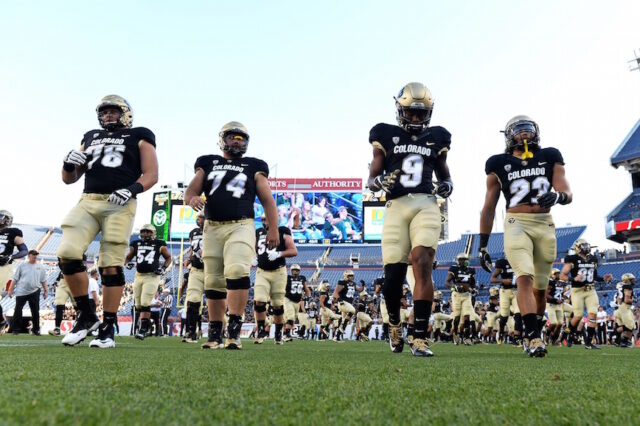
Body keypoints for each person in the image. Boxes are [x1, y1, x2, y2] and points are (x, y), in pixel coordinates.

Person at [58, 95, 158, 348]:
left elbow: (152, 174)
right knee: (67, 253)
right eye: (105, 113)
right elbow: (69, 178)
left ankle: (108, 325)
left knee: (111, 262)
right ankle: (87, 315)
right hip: (88, 200)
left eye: (114, 111)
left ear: (125, 114)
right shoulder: (91, 135)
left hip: (120, 203)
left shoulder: (140, 134)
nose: (108, 116)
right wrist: (68, 163)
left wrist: (133, 189)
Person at [367, 82, 453, 357]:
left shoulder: (438, 137)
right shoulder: (384, 134)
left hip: (426, 203)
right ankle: (394, 324)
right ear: (400, 110)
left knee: (423, 262)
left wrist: (447, 186)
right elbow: (372, 177)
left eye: (421, 113)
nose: (416, 118)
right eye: (411, 113)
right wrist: (378, 181)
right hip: (395, 206)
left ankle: (419, 337)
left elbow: (445, 174)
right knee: (392, 279)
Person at [479, 115, 572, 357]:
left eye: (528, 130)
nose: (524, 134)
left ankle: (535, 331)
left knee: (540, 289)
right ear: (509, 135)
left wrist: (558, 197)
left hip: (544, 223)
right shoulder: (498, 162)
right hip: (516, 222)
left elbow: (566, 190)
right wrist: (483, 244)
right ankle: (531, 337)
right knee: (524, 278)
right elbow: (489, 207)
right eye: (519, 130)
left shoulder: (549, 155)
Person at [185, 121, 278, 350]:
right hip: (213, 227)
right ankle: (215, 332)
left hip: (241, 224)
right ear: (222, 139)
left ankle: (234, 330)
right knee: (213, 279)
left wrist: (273, 228)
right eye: (232, 137)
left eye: (241, 138)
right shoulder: (207, 162)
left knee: (237, 269)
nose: (237, 141)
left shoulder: (254, 165)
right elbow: (191, 190)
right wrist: (192, 199)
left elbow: (267, 199)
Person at [253, 213, 297, 345]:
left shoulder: (283, 231)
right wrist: (254, 257)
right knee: (259, 301)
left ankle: (278, 333)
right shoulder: (259, 232)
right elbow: (255, 247)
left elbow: (294, 251)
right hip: (262, 271)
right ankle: (261, 331)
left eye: (266, 219)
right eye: (262, 220)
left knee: (277, 305)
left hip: (278, 272)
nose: (264, 222)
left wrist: (279, 253)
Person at [560, 238, 612, 349]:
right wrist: (573, 279)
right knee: (578, 316)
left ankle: (588, 342)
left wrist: (604, 278)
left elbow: (594, 277)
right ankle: (569, 334)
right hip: (577, 290)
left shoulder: (593, 259)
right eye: (583, 245)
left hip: (590, 290)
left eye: (586, 245)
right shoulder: (572, 259)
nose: (586, 247)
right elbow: (562, 276)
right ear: (577, 248)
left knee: (593, 314)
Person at [125, 224, 172, 340]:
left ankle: (143, 329)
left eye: (148, 232)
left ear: (153, 233)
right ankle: (146, 326)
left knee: (146, 301)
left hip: (152, 276)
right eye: (143, 231)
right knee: (138, 304)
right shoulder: (135, 243)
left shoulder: (159, 243)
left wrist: (163, 268)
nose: (145, 234)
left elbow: (168, 258)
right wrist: (127, 263)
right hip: (138, 275)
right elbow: (128, 258)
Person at [0, 210, 28, 330]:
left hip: (3, 266)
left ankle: (1, 322)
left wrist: (11, 257)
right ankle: (1, 321)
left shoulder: (13, 232)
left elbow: (24, 250)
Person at [7, 250, 47, 335]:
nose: (35, 256)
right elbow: (15, 278)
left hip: (35, 291)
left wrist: (45, 291)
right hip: (21, 291)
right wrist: (10, 289)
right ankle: (15, 330)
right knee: (18, 310)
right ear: (29, 255)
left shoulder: (41, 267)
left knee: (35, 311)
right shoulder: (22, 266)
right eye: (33, 255)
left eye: (36, 255)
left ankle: (36, 330)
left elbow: (43, 280)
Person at [183, 213, 205, 343]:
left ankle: (218, 333)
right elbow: (193, 248)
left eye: (202, 217)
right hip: (196, 269)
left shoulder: (215, 229)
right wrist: (189, 258)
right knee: (192, 300)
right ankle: (191, 333)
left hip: (213, 269)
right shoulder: (193, 232)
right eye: (198, 218)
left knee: (217, 298)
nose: (199, 220)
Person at [445, 253, 476, 345]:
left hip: (466, 295)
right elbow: (447, 282)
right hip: (456, 295)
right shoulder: (454, 269)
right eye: (461, 259)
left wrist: (473, 289)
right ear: (458, 261)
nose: (463, 261)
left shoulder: (471, 270)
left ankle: (466, 337)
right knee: (457, 316)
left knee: (467, 315)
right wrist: (453, 287)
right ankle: (455, 334)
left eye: (464, 259)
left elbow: (473, 284)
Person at [490, 258, 522, 345]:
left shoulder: (519, 261)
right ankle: (500, 333)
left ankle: (517, 338)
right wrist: (503, 280)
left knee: (519, 313)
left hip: (516, 291)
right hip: (505, 291)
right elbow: (492, 279)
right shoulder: (502, 263)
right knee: (504, 316)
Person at [332, 270, 363, 341]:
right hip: (343, 303)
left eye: (352, 276)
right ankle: (342, 327)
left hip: (348, 304)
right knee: (353, 310)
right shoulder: (342, 282)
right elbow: (335, 293)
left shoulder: (353, 284)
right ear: (346, 276)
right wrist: (340, 300)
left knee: (344, 321)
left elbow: (360, 289)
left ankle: (336, 337)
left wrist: (363, 285)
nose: (352, 277)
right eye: (350, 276)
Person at [283, 264, 310, 342]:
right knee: (290, 316)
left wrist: (307, 297)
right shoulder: (287, 278)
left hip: (297, 301)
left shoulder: (302, 278)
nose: (295, 272)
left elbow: (306, 289)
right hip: (288, 299)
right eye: (294, 270)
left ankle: (285, 333)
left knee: (293, 318)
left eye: (297, 270)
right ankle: (286, 335)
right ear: (291, 271)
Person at [614, 273, 636, 347]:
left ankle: (617, 340)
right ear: (628, 280)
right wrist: (633, 300)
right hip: (625, 308)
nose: (634, 280)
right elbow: (627, 300)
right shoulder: (628, 286)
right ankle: (624, 341)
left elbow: (618, 299)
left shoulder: (622, 286)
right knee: (631, 325)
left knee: (625, 326)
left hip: (620, 307)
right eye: (632, 279)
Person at [545, 269, 565, 345]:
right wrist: (555, 300)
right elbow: (546, 294)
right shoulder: (550, 282)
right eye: (556, 274)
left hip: (559, 305)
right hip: (551, 305)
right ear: (553, 275)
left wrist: (563, 298)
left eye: (558, 274)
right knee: (553, 323)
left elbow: (562, 294)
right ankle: (546, 335)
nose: (558, 275)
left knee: (560, 324)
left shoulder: (561, 283)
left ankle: (553, 338)